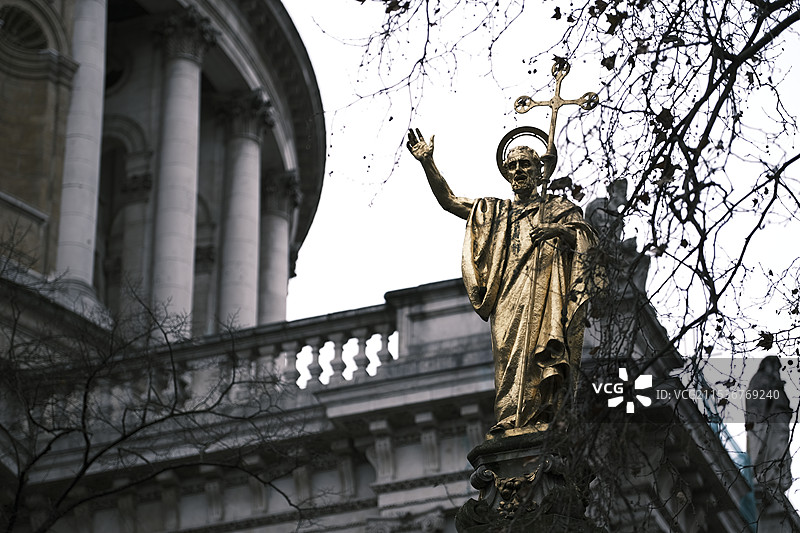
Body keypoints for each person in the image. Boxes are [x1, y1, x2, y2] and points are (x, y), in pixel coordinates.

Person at [406, 128, 600, 433]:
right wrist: (427, 162)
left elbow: (587, 240)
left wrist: (559, 231)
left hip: (546, 293)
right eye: (512, 166)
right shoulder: (495, 212)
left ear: (540, 172)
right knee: (509, 359)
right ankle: (511, 419)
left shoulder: (558, 209)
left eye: (525, 164)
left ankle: (545, 415)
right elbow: (450, 201)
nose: (518, 171)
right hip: (508, 298)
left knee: (544, 353)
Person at [746, 356, 793, 491]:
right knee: (765, 448)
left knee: (779, 448)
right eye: (774, 366)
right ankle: (763, 475)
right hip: (765, 422)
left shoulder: (777, 385)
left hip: (779, 423)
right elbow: (754, 402)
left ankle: (774, 477)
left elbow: (784, 405)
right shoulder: (760, 379)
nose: (776, 370)